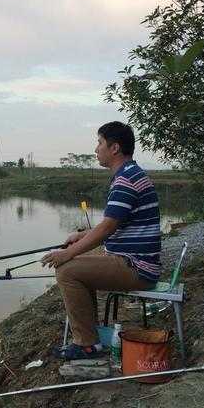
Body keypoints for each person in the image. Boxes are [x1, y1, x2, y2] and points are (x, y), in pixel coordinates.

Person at [41, 121, 161, 360]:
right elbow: (114, 222)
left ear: (114, 148)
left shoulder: (126, 179)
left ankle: (87, 344)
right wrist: (82, 236)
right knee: (75, 262)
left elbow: (107, 228)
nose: (96, 149)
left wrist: (67, 253)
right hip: (132, 262)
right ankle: (90, 336)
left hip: (136, 267)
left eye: (99, 143)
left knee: (67, 270)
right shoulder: (129, 174)